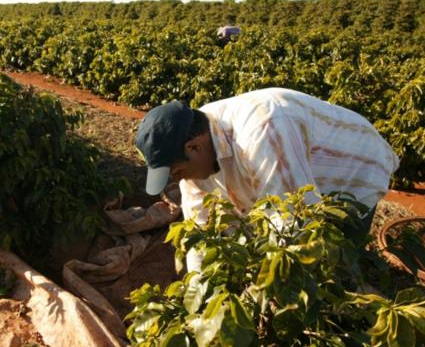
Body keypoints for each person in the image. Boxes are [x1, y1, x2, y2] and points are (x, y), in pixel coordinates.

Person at [134, 88, 400, 270]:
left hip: (352, 170)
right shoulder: (192, 144)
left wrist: (261, 285)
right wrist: (200, 289)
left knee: (336, 258)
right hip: (296, 172)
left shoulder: (262, 132)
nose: (179, 180)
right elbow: (199, 228)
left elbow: (294, 222)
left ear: (194, 148)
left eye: (177, 172)